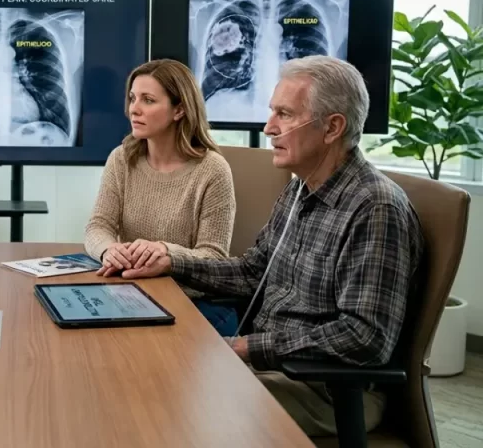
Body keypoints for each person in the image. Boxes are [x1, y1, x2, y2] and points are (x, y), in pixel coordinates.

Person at [126, 55, 425, 438]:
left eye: (284, 114)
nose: (269, 127)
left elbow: (364, 337)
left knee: (168, 402)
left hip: (327, 391)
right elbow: (254, 272)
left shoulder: (374, 208)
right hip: (274, 371)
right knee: (142, 373)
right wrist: (173, 261)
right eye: (272, 112)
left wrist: (249, 348)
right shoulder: (302, 188)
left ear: (333, 127)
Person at [84, 59, 238, 335]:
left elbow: (215, 258)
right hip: (134, 295)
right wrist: (109, 250)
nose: (134, 108)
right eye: (132, 98)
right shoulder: (121, 159)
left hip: (196, 302)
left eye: (148, 100)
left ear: (179, 109)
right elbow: (99, 226)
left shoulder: (213, 170)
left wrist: (166, 252)